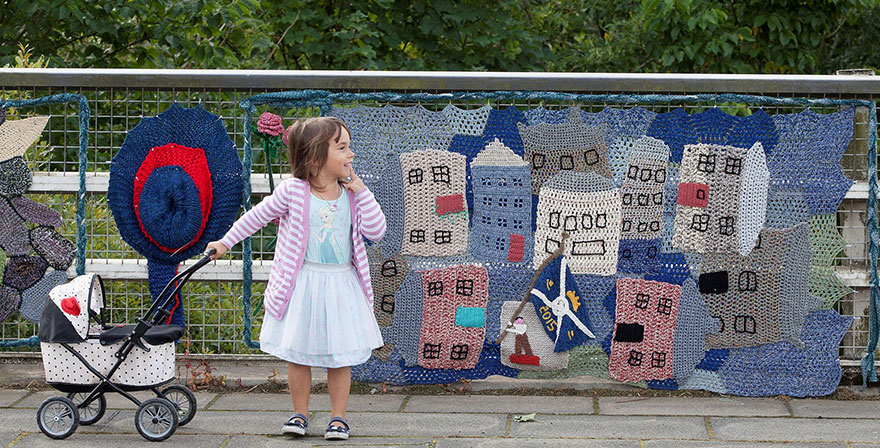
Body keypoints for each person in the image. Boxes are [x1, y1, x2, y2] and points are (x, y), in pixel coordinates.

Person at [206, 117, 385, 440]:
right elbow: (255, 218)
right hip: (302, 285)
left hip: (341, 284)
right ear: (315, 158)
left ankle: (338, 418)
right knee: (298, 353)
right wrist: (224, 242)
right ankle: (299, 413)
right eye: (342, 147)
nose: (351, 154)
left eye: (349, 146)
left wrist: (362, 191)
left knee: (339, 356)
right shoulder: (293, 191)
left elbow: (376, 231)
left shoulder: (352, 194)